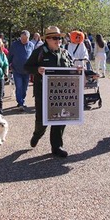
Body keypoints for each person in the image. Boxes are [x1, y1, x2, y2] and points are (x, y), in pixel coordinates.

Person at [24, 26, 75, 158]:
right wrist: (37, 69)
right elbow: (26, 67)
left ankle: (56, 146)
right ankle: (37, 134)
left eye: (59, 38)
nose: (58, 40)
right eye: (55, 38)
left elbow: (72, 69)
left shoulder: (64, 53)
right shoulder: (39, 52)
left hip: (61, 94)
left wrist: (80, 71)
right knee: (42, 121)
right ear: (47, 39)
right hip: (43, 93)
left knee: (60, 119)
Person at [8, 30, 35, 111]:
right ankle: (20, 102)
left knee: (25, 88)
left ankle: (22, 99)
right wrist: (8, 66)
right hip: (16, 70)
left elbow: (33, 57)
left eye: (25, 39)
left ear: (28, 38)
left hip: (27, 71)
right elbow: (10, 56)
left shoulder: (31, 45)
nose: (24, 40)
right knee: (19, 87)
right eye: (22, 38)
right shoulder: (14, 45)